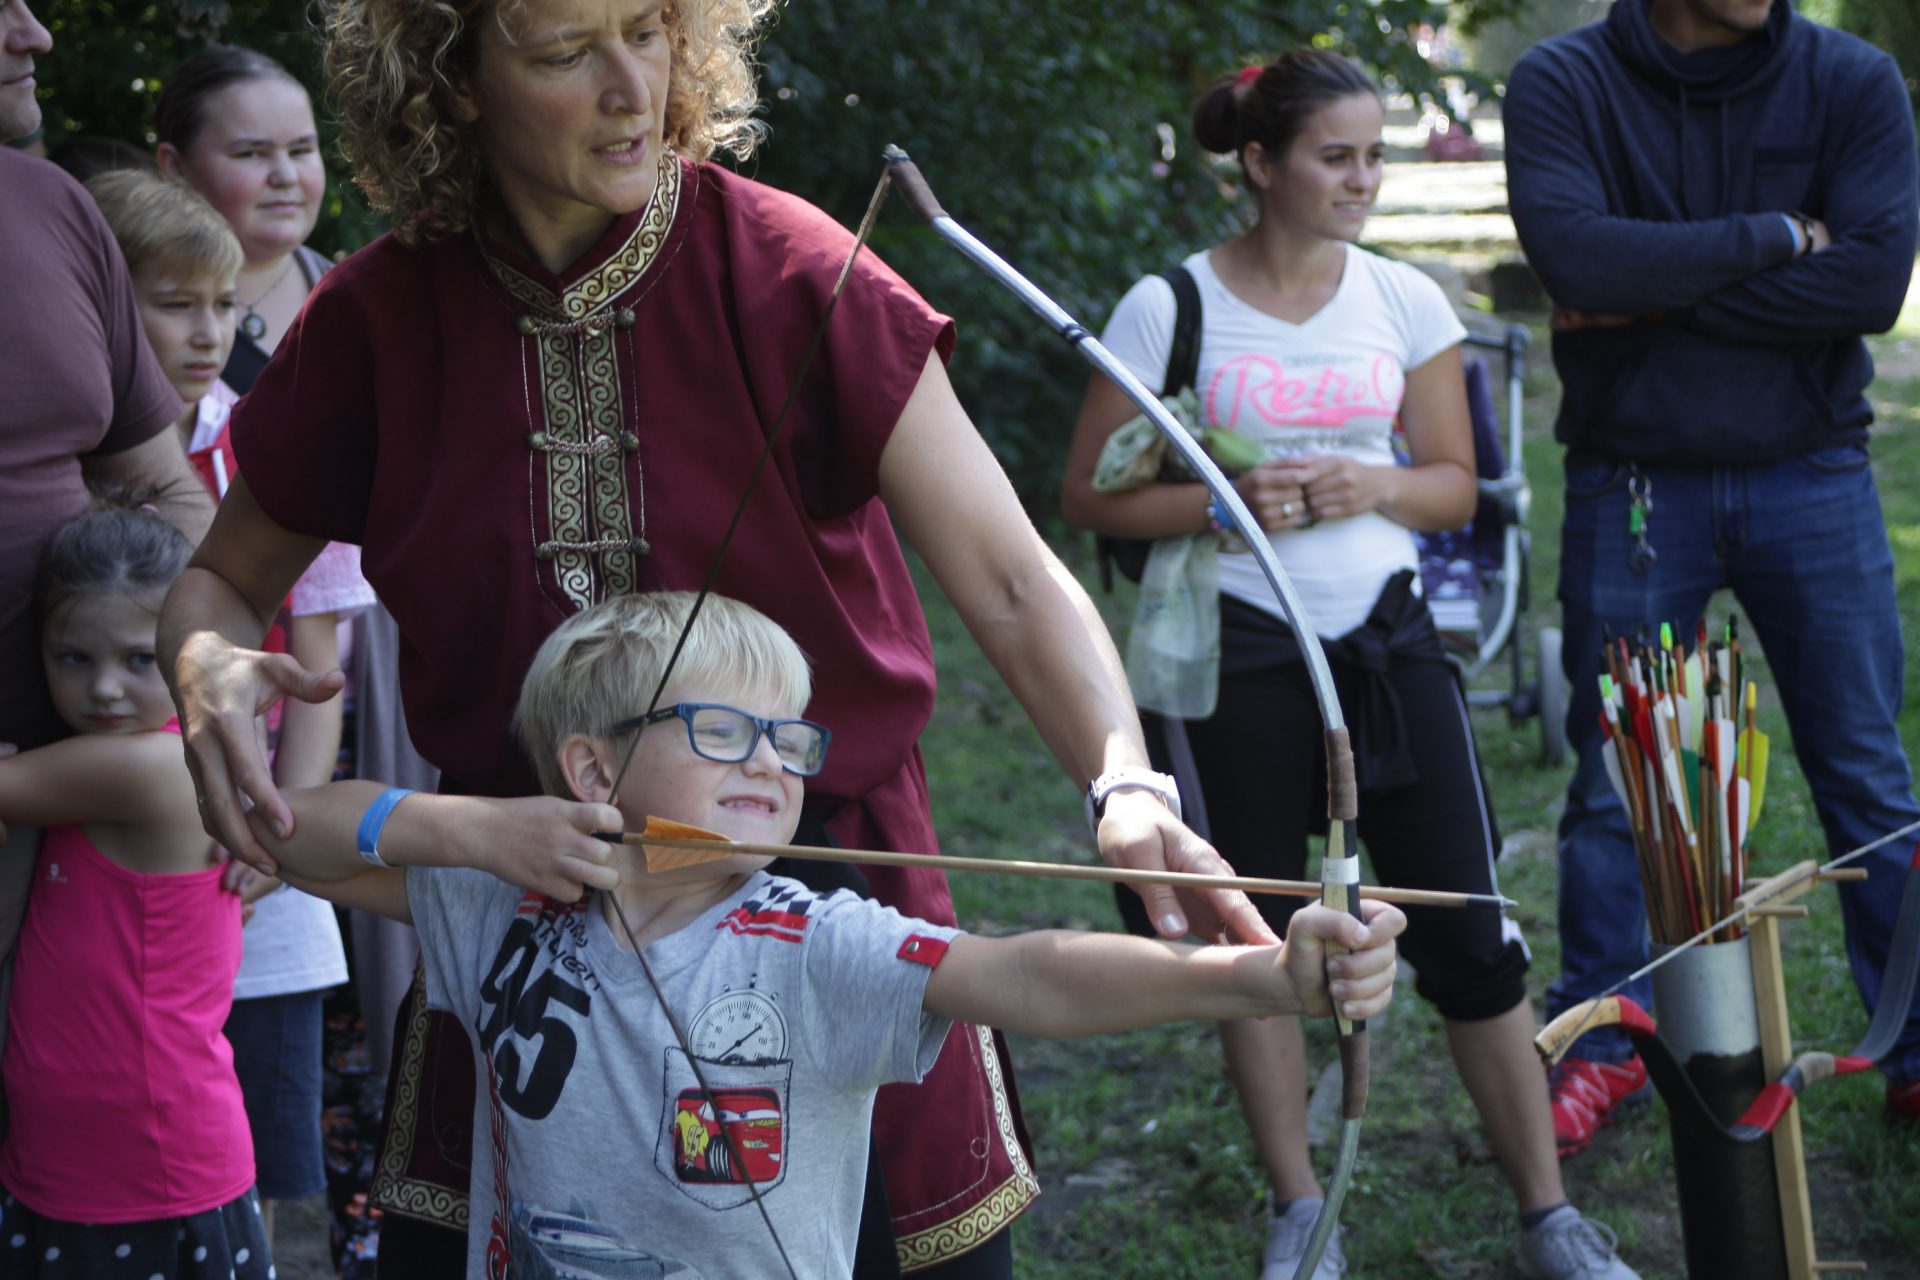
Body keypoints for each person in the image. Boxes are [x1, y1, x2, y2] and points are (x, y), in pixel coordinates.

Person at [156, 0, 1265, 1274]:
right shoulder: (375, 318)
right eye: (566, 53)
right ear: (452, 78)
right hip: (521, 896)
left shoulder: (790, 266)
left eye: (648, 29)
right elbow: (220, 582)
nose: (632, 85)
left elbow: (1015, 580)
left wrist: (1125, 780)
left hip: (822, 893)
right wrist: (205, 667)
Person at [240, 589, 1406, 1277]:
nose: (770, 761)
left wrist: (1264, 976)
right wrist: (475, 827)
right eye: (723, 728)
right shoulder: (505, 900)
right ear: (592, 768)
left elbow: (1030, 976)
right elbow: (289, 831)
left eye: (789, 740)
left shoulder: (808, 939)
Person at [1062, 51, 1642, 1280]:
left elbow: (1453, 486)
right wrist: (1222, 507)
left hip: (1387, 641)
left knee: (1468, 927)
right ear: (1259, 162)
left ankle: (1548, 1216)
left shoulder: (1405, 299)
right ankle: (1300, 1213)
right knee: (1259, 936)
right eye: (1337, 156)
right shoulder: (1169, 305)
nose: (1364, 179)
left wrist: (1370, 483)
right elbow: (1087, 497)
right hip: (1237, 654)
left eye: (1375, 156)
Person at [1504, 0, 1920, 1143]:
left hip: (1813, 471)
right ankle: (1603, 1045)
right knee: (1616, 786)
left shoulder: (1852, 80)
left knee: (1867, 774)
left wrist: (1647, 291)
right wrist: (1782, 235)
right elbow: (1574, 260)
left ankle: (1914, 1043)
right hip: (1633, 482)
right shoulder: (1563, 83)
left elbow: (1872, 288)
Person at [86, 165, 378, 1252]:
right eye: (174, 305)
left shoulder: (265, 443)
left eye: (224, 305)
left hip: (252, 843)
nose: (210, 333)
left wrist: (282, 822)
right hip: (111, 848)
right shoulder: (55, 462)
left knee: (260, 1149)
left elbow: (318, 664)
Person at [0, 0, 211, 1063]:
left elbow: (168, 488)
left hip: (78, 818)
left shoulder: (48, 207)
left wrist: (221, 734)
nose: (33, 34)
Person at [0, 494, 272, 1278]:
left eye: (139, 659)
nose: (105, 690)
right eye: (74, 659)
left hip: (146, 1166)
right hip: (73, 1157)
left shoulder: (153, 767)